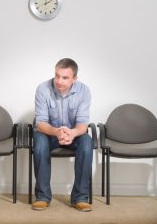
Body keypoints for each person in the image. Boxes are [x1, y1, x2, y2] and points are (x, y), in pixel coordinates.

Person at [32, 58, 93, 212]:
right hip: (48, 134)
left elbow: (82, 124)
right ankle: (42, 197)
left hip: (73, 135)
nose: (59, 81)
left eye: (65, 77)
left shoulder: (84, 91)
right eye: (57, 75)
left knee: (87, 142)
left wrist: (72, 133)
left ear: (75, 79)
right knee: (39, 142)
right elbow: (40, 123)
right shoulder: (43, 89)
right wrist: (56, 132)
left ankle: (80, 197)